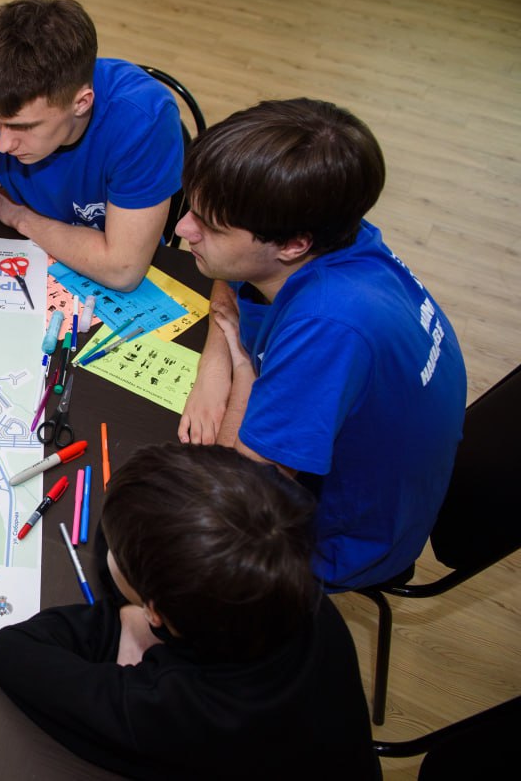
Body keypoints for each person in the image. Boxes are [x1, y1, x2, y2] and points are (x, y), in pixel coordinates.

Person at [175, 98, 467, 590]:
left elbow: (237, 499)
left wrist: (241, 366)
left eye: (210, 225)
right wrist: (214, 366)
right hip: (338, 468)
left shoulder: (329, 325)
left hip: (332, 537)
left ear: (294, 244)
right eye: (191, 208)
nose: (183, 229)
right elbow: (228, 278)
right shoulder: (333, 228)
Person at [0, 443, 380, 780]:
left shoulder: (176, 712)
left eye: (115, 556)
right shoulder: (293, 589)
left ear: (156, 613)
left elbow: (12, 651)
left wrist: (125, 617)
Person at [0, 0, 182, 372]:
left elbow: (123, 269)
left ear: (81, 103)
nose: (3, 144)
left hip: (110, 299)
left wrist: (25, 220)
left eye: (22, 127)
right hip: (34, 270)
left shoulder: (142, 119)